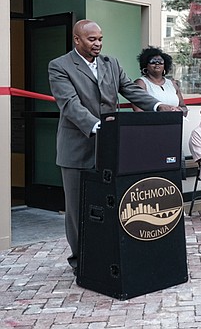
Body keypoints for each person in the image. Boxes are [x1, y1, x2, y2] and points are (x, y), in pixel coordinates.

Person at [48, 20, 180, 274]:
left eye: (100, 38)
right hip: (77, 148)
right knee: (77, 210)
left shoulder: (111, 63)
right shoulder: (59, 66)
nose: (98, 44)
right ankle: (81, 261)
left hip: (109, 148)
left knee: (111, 202)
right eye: (92, 40)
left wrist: (157, 106)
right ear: (77, 40)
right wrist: (99, 126)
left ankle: (106, 254)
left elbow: (130, 89)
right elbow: (70, 104)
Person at [132, 46, 187, 116]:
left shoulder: (172, 84)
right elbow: (139, 112)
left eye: (160, 61)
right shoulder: (141, 83)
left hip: (175, 123)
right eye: (153, 61)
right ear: (145, 65)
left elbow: (183, 107)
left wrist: (180, 111)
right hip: (152, 125)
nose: (157, 63)